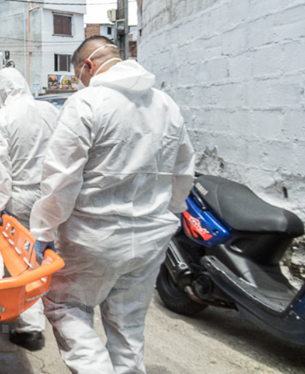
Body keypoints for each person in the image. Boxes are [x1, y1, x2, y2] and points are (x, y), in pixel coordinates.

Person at [30, 36, 196, 374]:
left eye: (79, 74)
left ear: (87, 66)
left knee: (67, 308)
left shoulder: (86, 103)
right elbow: (183, 173)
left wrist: (43, 230)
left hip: (92, 239)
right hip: (150, 240)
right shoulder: (167, 105)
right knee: (128, 325)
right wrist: (169, 216)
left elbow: (60, 180)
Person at [0, 67, 58, 351]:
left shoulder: (1, 118)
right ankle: (57, 312)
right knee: (50, 255)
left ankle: (29, 326)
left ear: (0, 90)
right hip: (52, 195)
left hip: (21, 197)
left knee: (22, 261)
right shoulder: (50, 111)